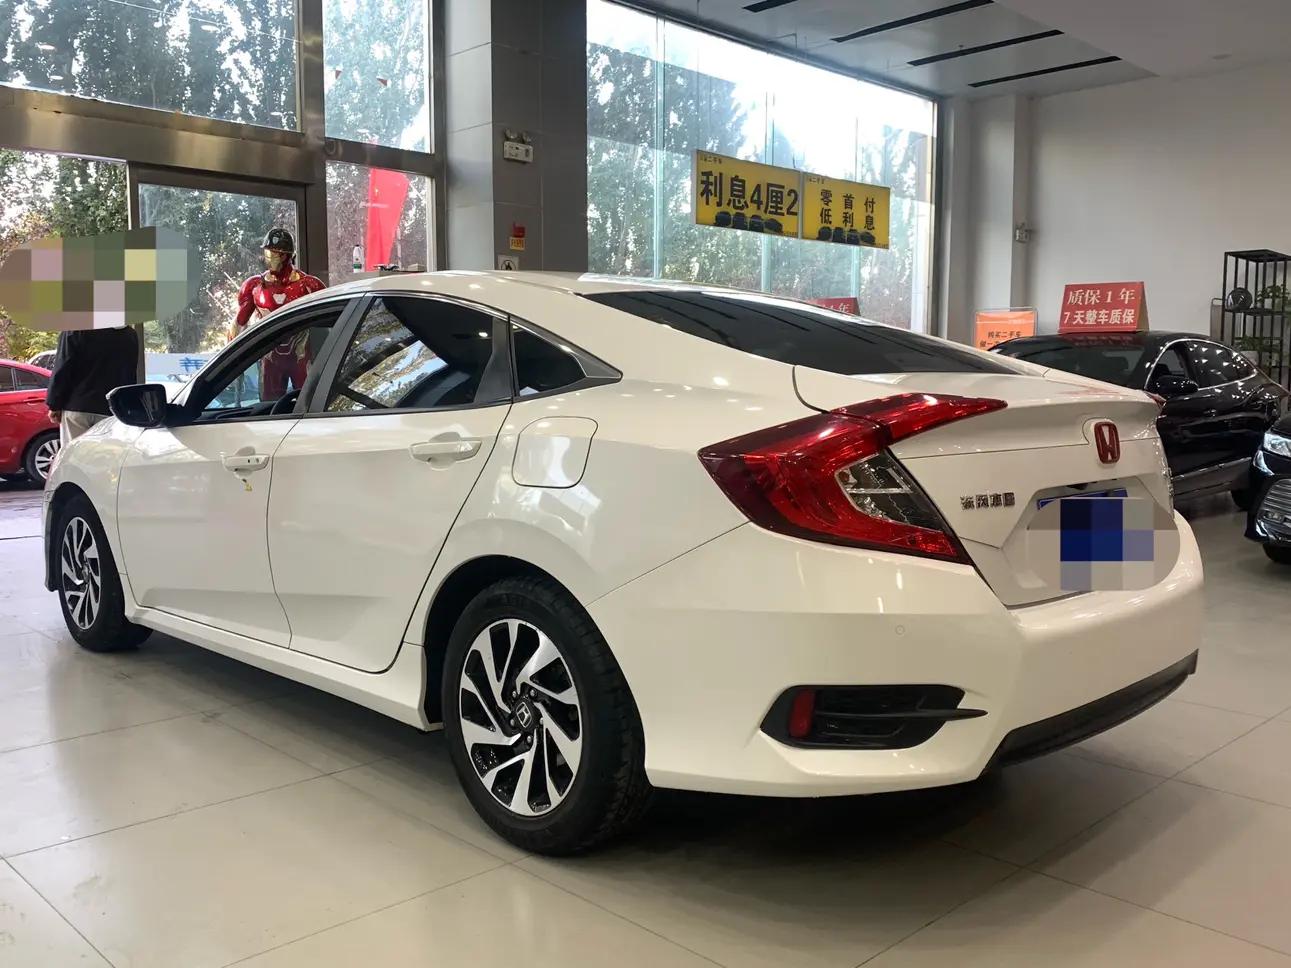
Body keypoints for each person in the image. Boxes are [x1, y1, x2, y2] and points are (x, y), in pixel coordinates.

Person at [230, 228, 325, 398]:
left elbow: (329, 324)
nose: (269, 258)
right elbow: (239, 324)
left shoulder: (309, 285)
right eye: (268, 252)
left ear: (286, 256)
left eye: (274, 253)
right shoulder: (255, 286)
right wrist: (233, 361)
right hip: (270, 358)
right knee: (268, 406)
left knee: (309, 403)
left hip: (301, 354)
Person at [46, 325, 141, 446]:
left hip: (77, 407)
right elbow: (130, 373)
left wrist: (54, 404)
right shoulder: (129, 334)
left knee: (74, 455)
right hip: (113, 410)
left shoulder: (76, 328)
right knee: (107, 455)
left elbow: (62, 368)